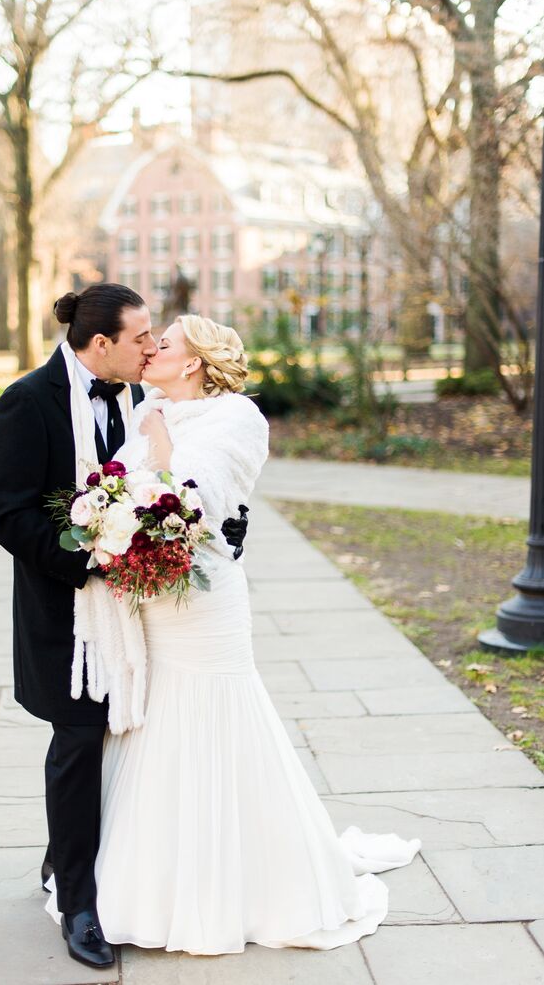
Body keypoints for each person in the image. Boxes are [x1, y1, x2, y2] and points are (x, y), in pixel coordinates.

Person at [45, 313, 421, 955]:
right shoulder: (146, 406)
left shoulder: (236, 418)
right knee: (155, 724)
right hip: (153, 601)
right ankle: (152, 876)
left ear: (192, 362)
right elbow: (123, 494)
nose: (150, 351)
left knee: (215, 716)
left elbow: (200, 502)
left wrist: (159, 445)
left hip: (206, 603)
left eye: (162, 344)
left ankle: (236, 882)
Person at [0, 286, 248, 970]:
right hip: (65, 609)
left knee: (117, 737)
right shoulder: (27, 401)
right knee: (75, 740)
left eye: (158, 338)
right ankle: (79, 905)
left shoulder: (139, 398)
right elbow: (6, 513)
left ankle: (63, 855)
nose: (150, 346)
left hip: (140, 612)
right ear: (100, 344)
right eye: (140, 338)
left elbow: (179, 485)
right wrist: (89, 554)